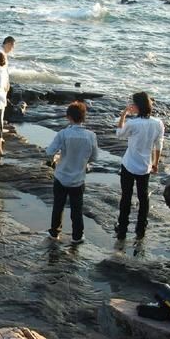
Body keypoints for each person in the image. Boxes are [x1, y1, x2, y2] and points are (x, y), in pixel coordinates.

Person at [45, 101, 98, 244]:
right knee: (77, 209)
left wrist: (56, 158)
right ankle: (77, 236)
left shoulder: (63, 134)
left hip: (61, 176)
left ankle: (54, 232)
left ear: (68, 117)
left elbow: (49, 151)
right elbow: (94, 157)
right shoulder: (91, 135)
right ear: (83, 117)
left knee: (58, 206)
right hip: (78, 178)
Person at [115, 92, 165, 241]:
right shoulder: (158, 123)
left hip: (129, 164)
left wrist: (124, 114)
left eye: (133, 103)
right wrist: (155, 163)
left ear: (137, 106)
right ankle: (141, 229)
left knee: (126, 196)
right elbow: (159, 144)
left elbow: (119, 134)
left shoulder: (132, 123)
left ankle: (122, 228)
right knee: (143, 198)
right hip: (145, 166)